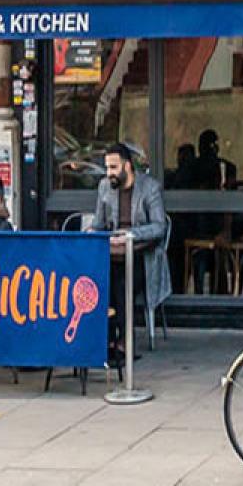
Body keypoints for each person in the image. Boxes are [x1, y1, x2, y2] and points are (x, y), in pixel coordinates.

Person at [91, 142, 169, 362]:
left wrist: (130, 234)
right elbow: (98, 224)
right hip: (113, 255)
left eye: (114, 168)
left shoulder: (150, 188)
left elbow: (159, 227)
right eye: (107, 168)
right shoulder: (105, 187)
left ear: (127, 166)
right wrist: (91, 232)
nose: (109, 174)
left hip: (143, 259)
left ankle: (125, 342)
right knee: (99, 280)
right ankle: (105, 340)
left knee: (121, 282)